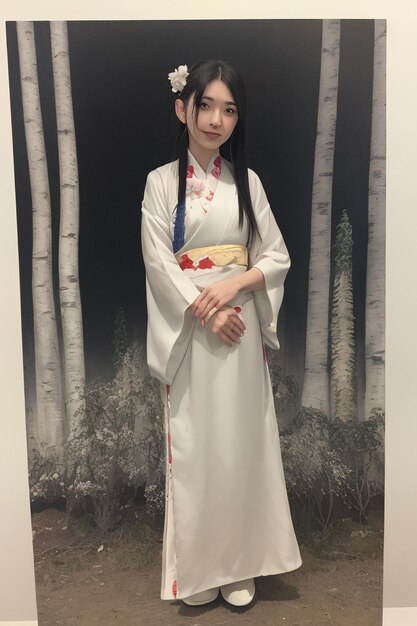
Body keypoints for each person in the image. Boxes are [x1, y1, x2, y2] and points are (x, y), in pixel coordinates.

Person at [140, 60, 302, 608]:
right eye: (205, 105)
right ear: (182, 108)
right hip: (194, 330)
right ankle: (200, 569)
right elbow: (159, 263)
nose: (216, 119)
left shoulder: (246, 183)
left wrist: (237, 287)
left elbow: (276, 255)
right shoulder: (161, 185)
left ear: (237, 119)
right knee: (196, 449)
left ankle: (241, 564)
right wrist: (204, 311)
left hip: (239, 326)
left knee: (241, 445)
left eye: (228, 109)